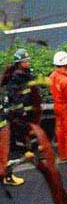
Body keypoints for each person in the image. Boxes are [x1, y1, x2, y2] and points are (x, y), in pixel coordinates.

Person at [0, 49, 41, 185]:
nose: (28, 62)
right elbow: (14, 96)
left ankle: (32, 149)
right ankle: (24, 152)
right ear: (19, 63)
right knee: (22, 132)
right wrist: (20, 111)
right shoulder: (15, 78)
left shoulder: (26, 73)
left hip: (28, 108)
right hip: (19, 112)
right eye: (25, 61)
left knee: (30, 130)